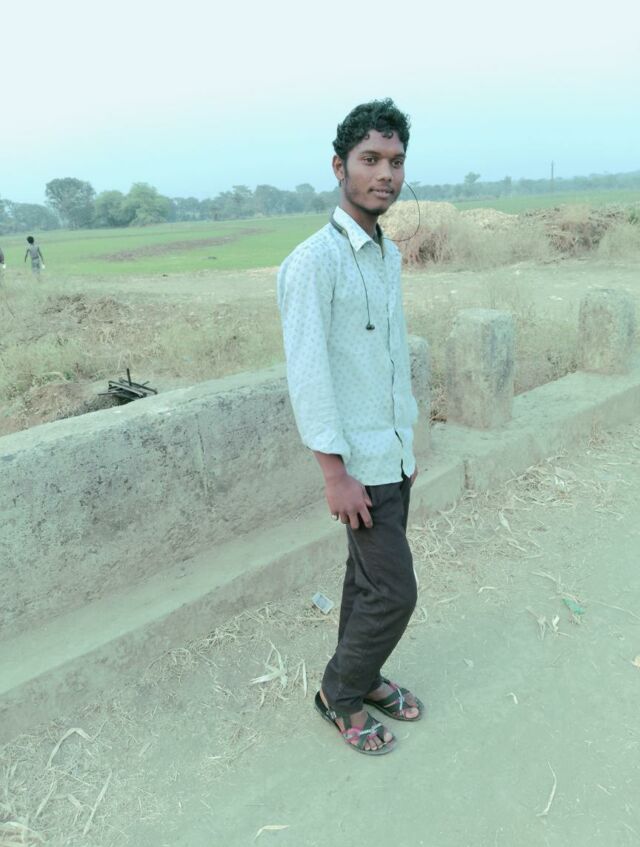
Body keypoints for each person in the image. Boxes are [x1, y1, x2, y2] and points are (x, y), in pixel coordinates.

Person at [277, 99, 424, 756]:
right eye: (370, 159)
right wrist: (334, 473)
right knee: (394, 592)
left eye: (395, 161)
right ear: (339, 167)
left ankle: (361, 677)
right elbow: (309, 374)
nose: (385, 174)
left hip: (392, 454)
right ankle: (338, 693)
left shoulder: (386, 256)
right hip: (356, 466)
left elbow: (385, 358)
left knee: (366, 582)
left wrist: (405, 443)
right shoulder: (314, 262)